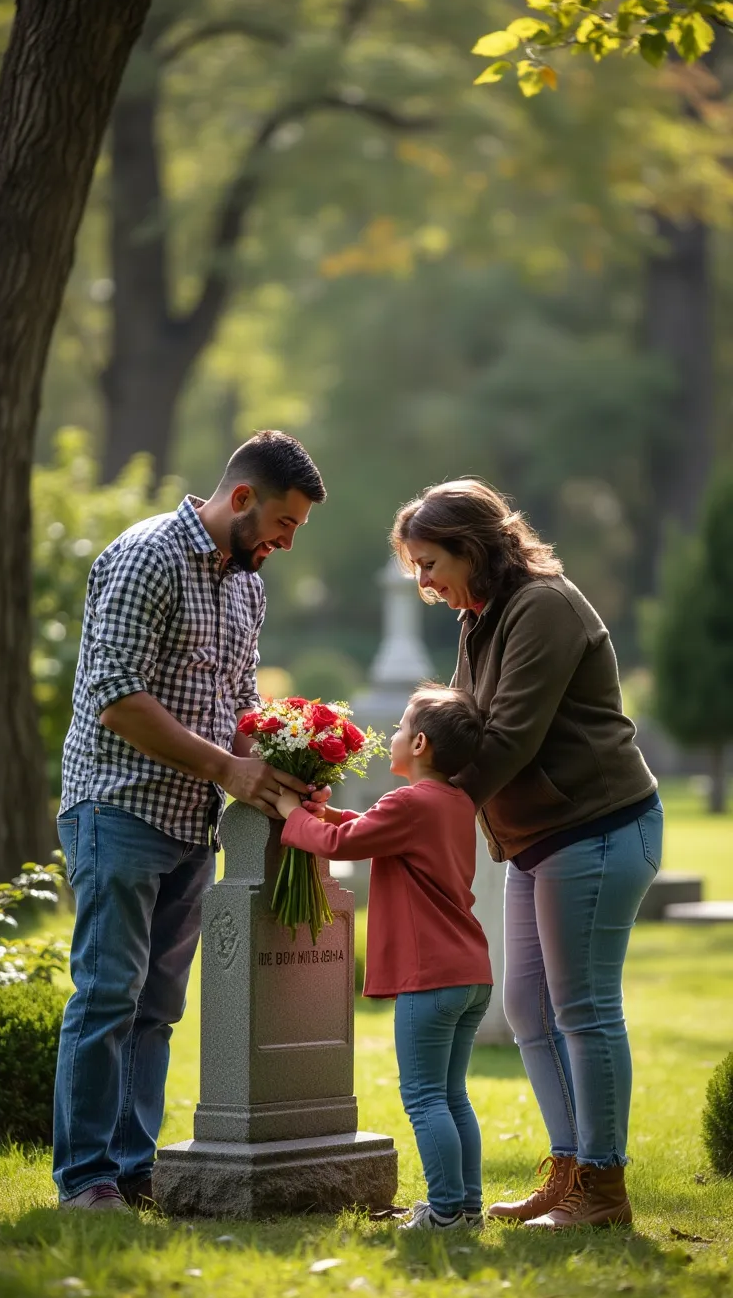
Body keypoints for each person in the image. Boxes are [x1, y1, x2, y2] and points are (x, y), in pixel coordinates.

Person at [54, 430, 328, 1211]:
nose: (285, 541)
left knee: (156, 1008)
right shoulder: (147, 556)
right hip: (118, 806)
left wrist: (285, 773)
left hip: (191, 824)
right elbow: (116, 698)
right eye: (284, 523)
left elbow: (238, 704)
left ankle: (135, 1168)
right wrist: (228, 769)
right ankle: (85, 1178)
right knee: (108, 994)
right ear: (241, 498)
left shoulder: (247, 584)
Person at [391, 479, 662, 1230]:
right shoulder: (480, 618)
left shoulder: (543, 605)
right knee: (528, 1010)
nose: (424, 582)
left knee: (583, 1009)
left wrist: (428, 816)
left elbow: (510, 737)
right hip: (539, 839)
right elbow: (456, 732)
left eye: (429, 562)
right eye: (415, 566)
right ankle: (570, 1169)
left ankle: (603, 1190)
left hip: (598, 827)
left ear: (471, 548)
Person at [277, 684, 493, 1233]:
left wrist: (289, 814)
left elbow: (341, 845)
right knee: (451, 1095)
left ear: (418, 743)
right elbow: (371, 831)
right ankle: (466, 1206)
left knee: (423, 1097)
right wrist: (325, 812)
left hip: (431, 977)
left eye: (399, 727)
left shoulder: (410, 803)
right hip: (469, 972)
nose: (393, 734)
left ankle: (444, 1212)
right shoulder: (454, 802)